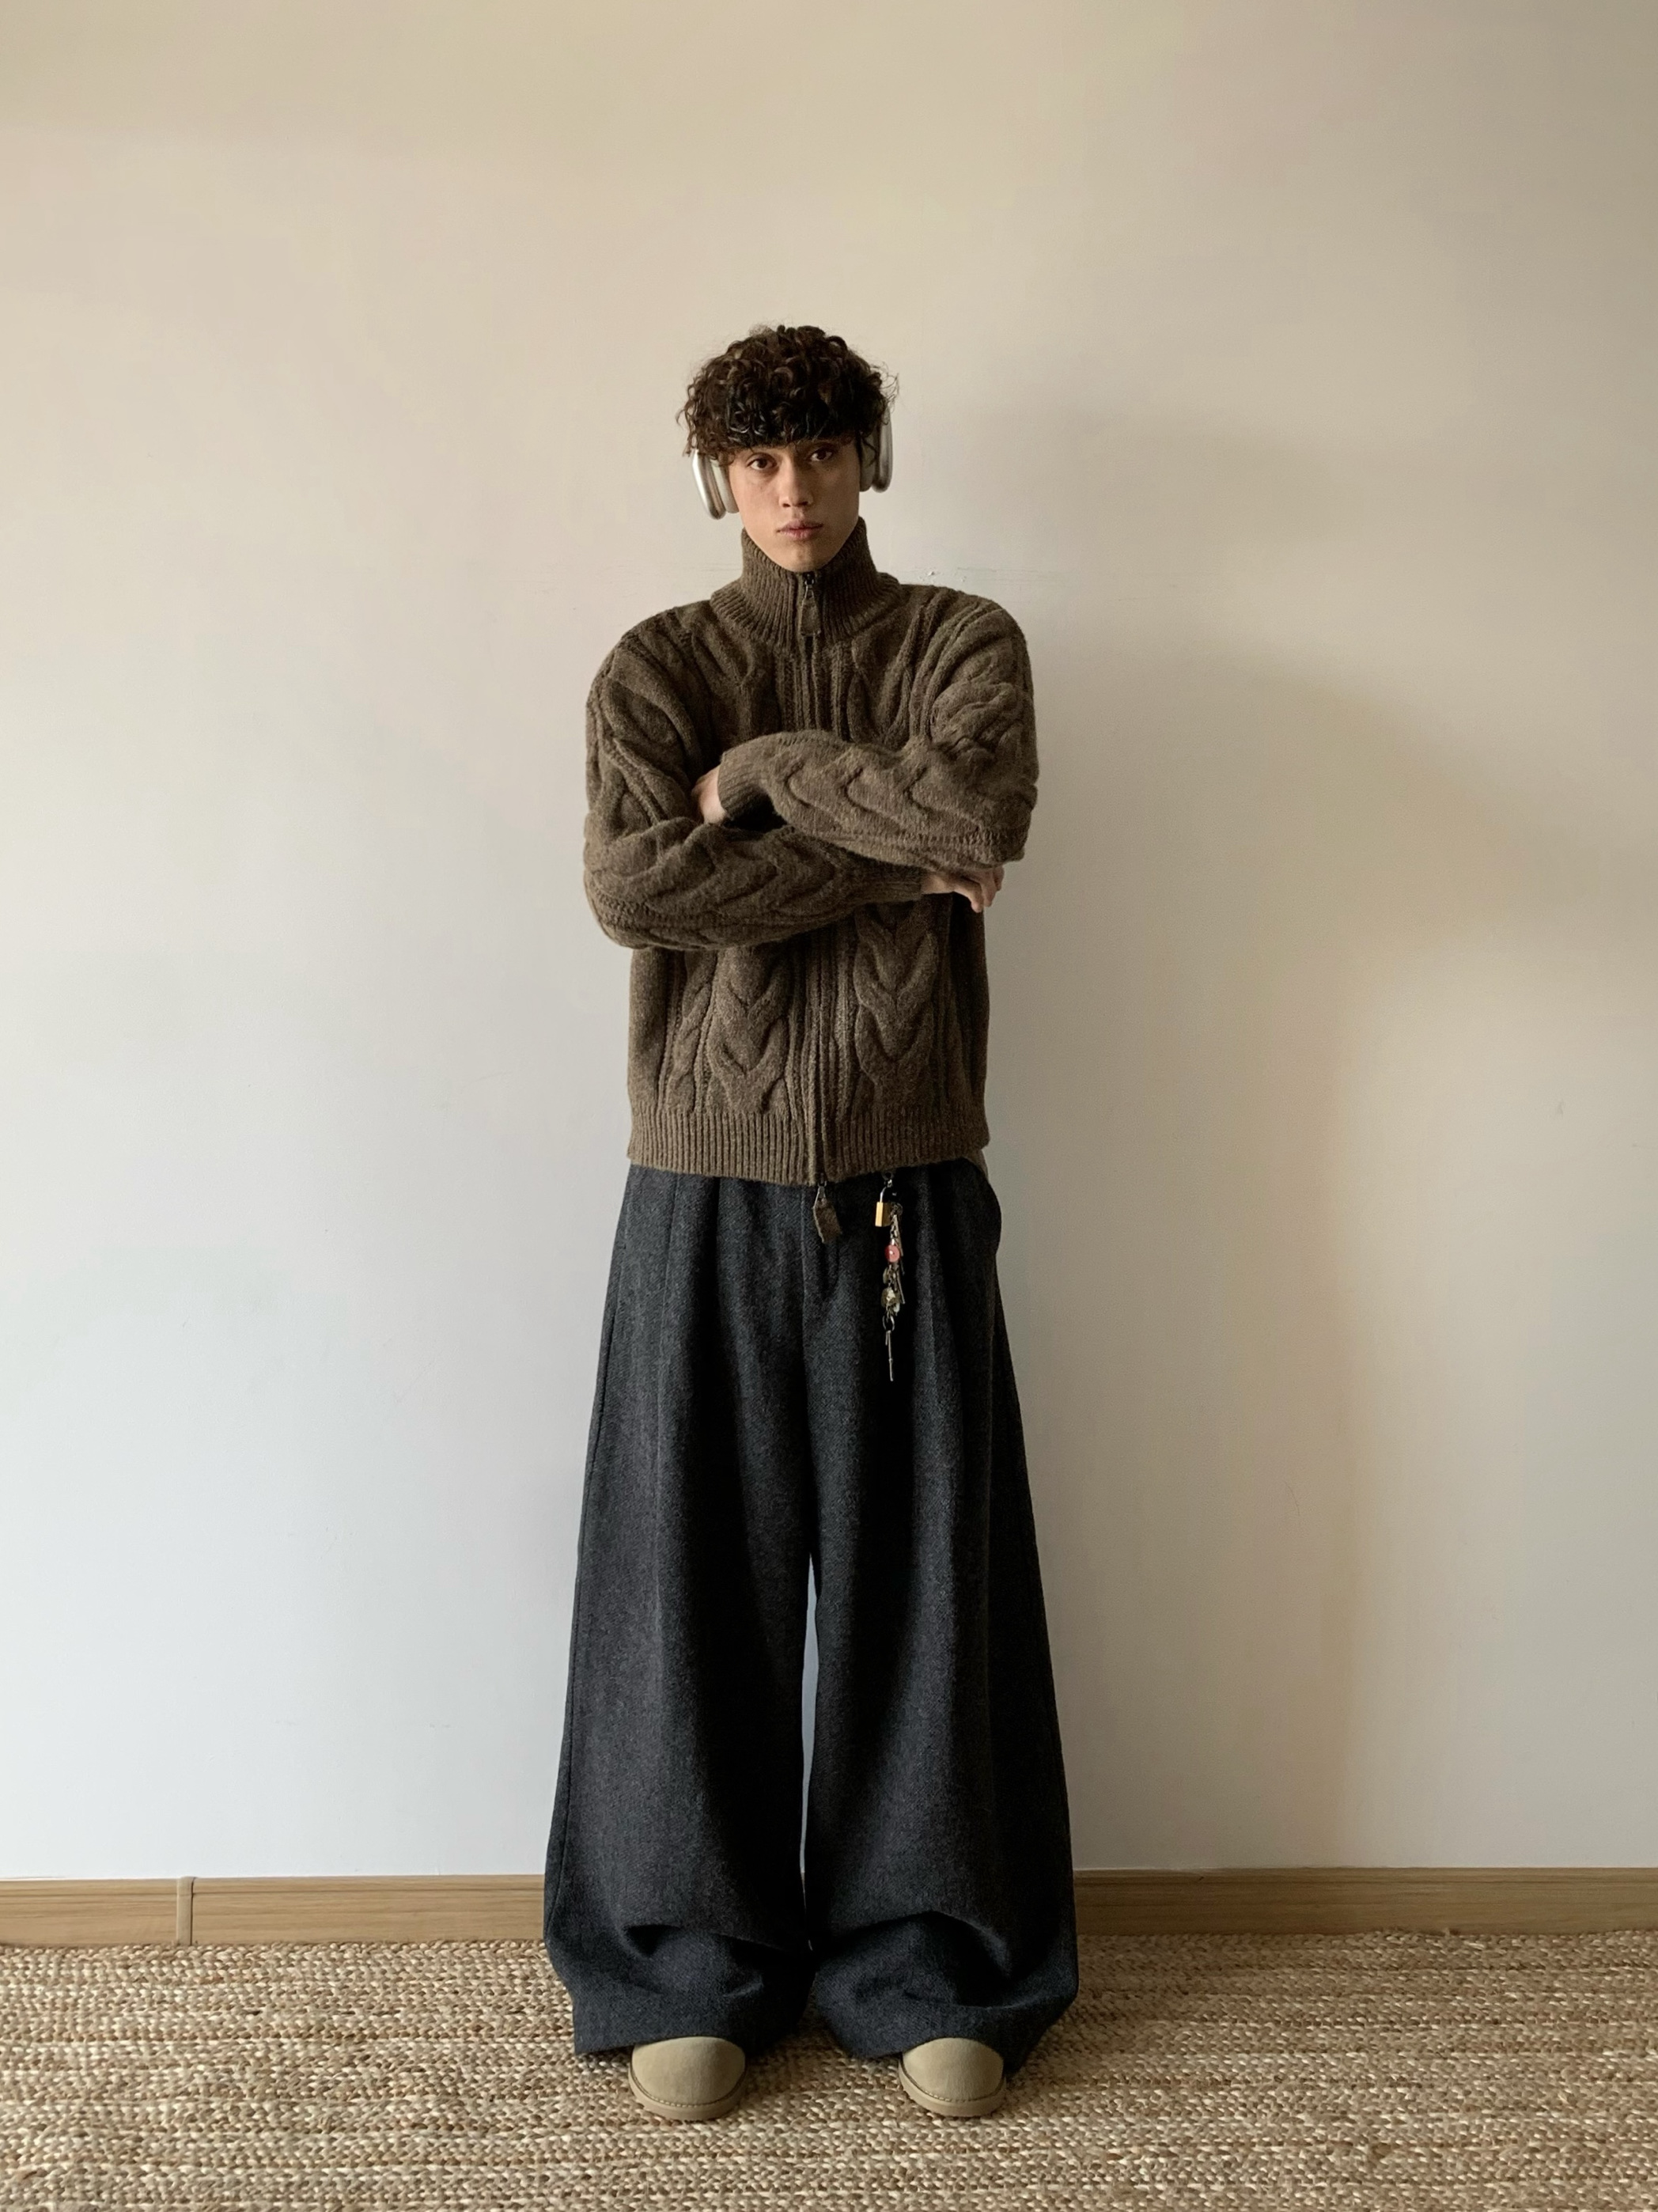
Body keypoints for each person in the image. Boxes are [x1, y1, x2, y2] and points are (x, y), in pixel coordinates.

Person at [543, 324, 1077, 2123]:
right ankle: (683, 1960)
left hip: (911, 1177)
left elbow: (978, 809)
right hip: (699, 1181)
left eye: (824, 452)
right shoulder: (652, 667)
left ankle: (926, 1959)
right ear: (717, 473)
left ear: (870, 460)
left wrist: (768, 769)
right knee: (685, 1582)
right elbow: (637, 887)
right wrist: (893, 856)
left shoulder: (960, 643)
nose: (792, 490)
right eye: (759, 460)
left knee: (925, 1584)